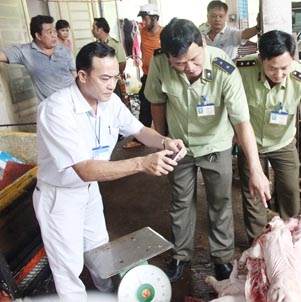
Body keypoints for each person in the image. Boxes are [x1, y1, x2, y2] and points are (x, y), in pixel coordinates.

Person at [33, 41, 186, 302]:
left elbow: (138, 130)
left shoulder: (109, 101)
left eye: (116, 77)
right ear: (82, 76)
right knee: (68, 266)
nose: (112, 84)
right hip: (60, 196)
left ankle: (108, 294)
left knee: (100, 251)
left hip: (89, 191)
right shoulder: (57, 109)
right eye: (104, 78)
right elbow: (84, 169)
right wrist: (141, 164)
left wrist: (164, 141)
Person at [144, 18, 271, 282]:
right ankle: (181, 254)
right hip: (179, 146)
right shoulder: (159, 64)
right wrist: (162, 139)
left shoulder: (225, 68)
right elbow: (157, 102)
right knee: (180, 201)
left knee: (220, 201)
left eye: (194, 60)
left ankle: (222, 258)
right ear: (167, 57)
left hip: (216, 144)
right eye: (179, 63)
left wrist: (256, 169)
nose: (188, 68)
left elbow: (241, 122)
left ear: (203, 42)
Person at [236, 30, 301, 244]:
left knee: (290, 192)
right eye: (272, 68)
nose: (279, 74)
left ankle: (290, 240)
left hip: (283, 142)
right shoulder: (241, 70)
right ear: (260, 59)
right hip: (250, 144)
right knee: (254, 196)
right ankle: (259, 246)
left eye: (285, 67)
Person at [0, 15, 76, 102]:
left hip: (73, 99)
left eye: (54, 31)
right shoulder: (25, 51)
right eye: (49, 32)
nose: (54, 36)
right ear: (38, 36)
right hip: (51, 106)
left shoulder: (64, 50)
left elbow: (74, 74)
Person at [123, 3, 163, 149]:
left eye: (146, 18)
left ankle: (166, 137)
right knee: (145, 107)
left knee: (163, 108)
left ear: (154, 18)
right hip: (147, 76)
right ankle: (140, 139)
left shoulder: (164, 34)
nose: (143, 22)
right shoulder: (142, 32)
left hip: (162, 78)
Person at [92, 17, 127, 99]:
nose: (92, 30)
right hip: (99, 83)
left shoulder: (115, 44)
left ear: (100, 29)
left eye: (94, 28)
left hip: (112, 82)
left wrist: (113, 76)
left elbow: (122, 63)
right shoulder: (95, 46)